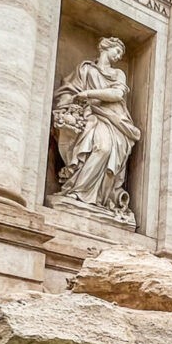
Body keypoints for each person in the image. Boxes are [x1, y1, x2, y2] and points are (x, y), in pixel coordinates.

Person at [52, 36, 140, 215]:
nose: (118, 56)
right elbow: (69, 91)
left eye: (121, 54)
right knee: (97, 146)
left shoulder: (118, 74)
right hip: (89, 115)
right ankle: (77, 191)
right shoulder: (84, 69)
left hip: (114, 120)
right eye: (117, 51)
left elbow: (117, 94)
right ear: (105, 48)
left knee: (105, 148)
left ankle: (96, 197)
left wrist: (88, 93)